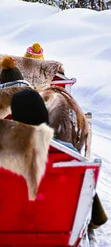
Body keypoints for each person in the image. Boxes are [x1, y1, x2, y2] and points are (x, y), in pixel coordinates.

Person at [11, 88, 107, 232]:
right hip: (57, 223)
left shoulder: (4, 152)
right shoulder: (67, 152)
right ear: (44, 113)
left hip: (11, 221)